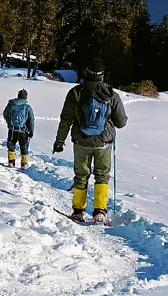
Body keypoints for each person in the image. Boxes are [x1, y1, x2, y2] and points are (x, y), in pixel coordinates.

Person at [53, 59, 127, 224]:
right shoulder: (111, 94)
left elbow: (66, 119)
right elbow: (121, 123)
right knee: (102, 176)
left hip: (81, 142)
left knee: (81, 176)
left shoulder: (76, 93)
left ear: (86, 72)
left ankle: (79, 211)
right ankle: (100, 211)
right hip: (104, 143)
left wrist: (60, 140)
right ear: (102, 74)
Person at [3, 89, 35, 168]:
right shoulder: (27, 107)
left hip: (13, 129)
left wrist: (9, 123)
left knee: (11, 144)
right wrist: (31, 131)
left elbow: (5, 114)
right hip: (23, 130)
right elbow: (31, 120)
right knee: (23, 146)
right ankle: (24, 163)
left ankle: (11, 162)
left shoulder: (11, 104)